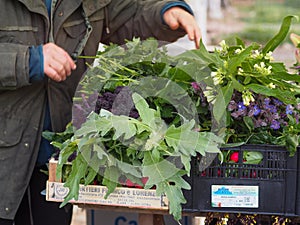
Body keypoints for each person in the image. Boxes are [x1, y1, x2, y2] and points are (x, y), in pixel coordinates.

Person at [0, 1, 201, 225]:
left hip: (56, 155)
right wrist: (29, 60)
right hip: (6, 158)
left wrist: (165, 13)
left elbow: (128, 15)